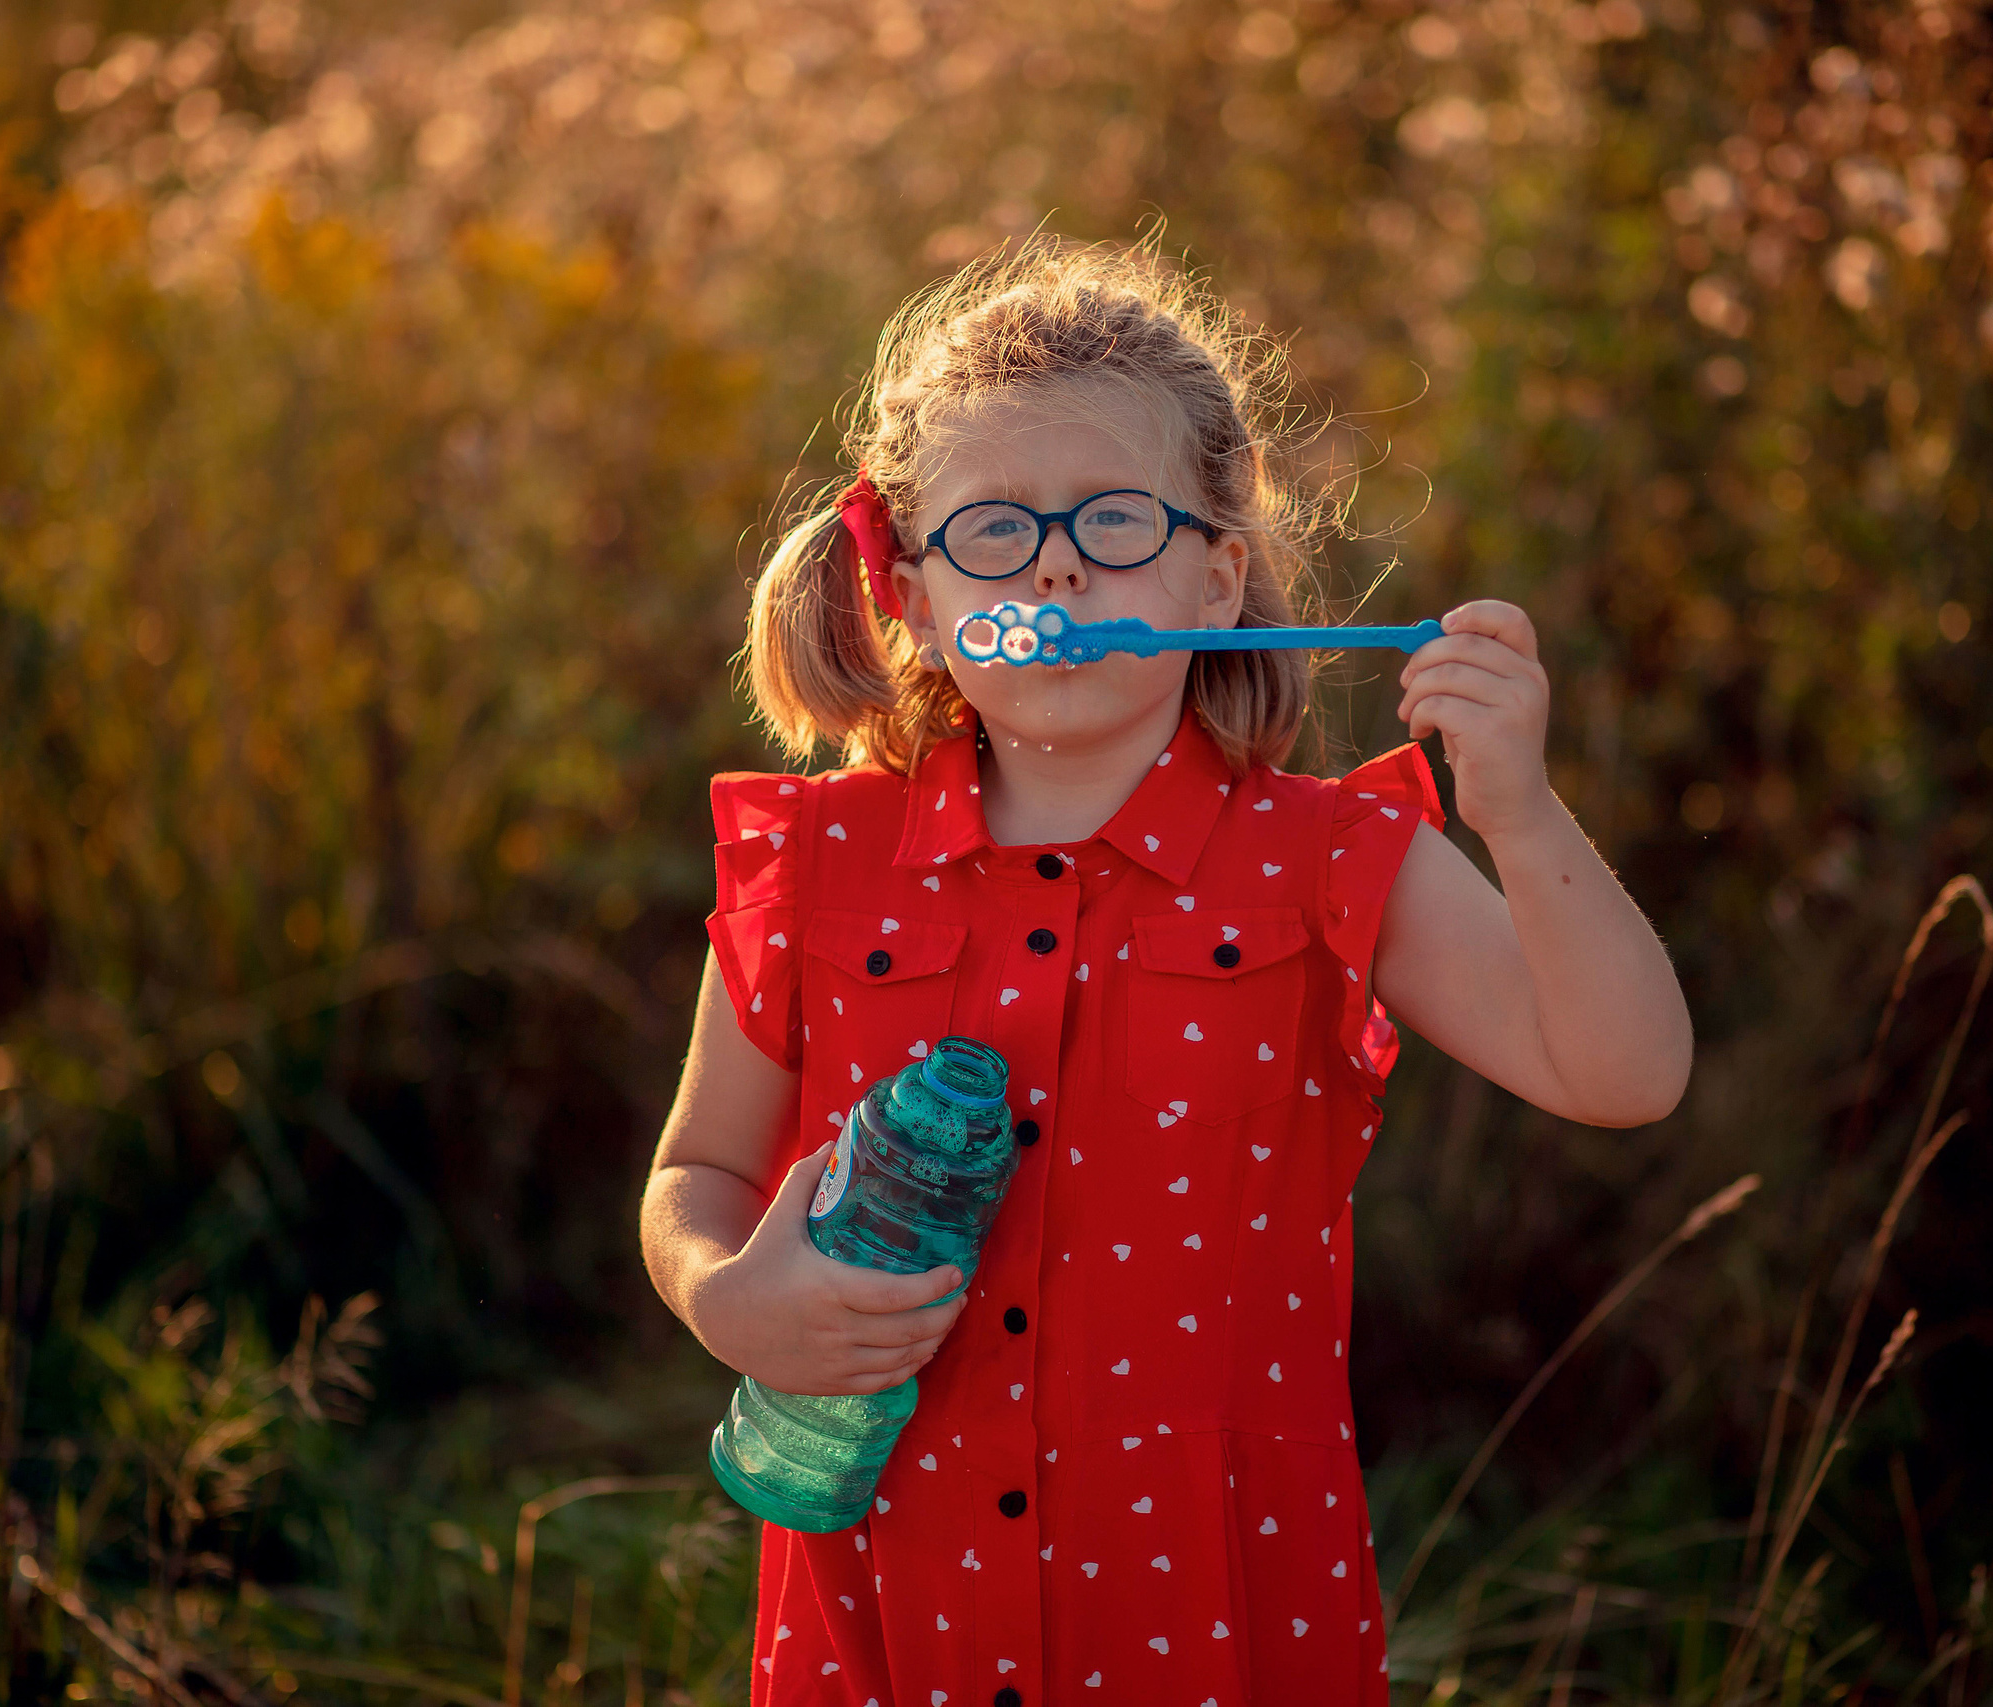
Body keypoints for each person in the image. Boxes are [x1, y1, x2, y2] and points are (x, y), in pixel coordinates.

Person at [639, 239, 1692, 1707]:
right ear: (915, 595)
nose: (1057, 564)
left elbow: (1624, 1074)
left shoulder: (1327, 859)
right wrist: (723, 1298)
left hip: (1214, 1609)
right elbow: (695, 1172)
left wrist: (1517, 808)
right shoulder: (819, 862)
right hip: (890, 1607)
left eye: (1115, 520)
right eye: (993, 529)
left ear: (1219, 571)